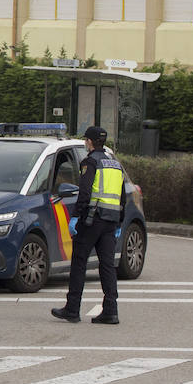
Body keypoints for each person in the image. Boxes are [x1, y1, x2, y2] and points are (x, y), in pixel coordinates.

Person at [52, 125, 123, 325]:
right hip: (110, 221)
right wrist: (119, 221)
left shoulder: (90, 162)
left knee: (79, 262)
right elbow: (121, 195)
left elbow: (84, 193)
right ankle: (111, 310)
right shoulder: (115, 164)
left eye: (86, 140)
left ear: (89, 142)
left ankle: (72, 309)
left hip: (92, 220)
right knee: (107, 266)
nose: (85, 143)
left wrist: (75, 217)